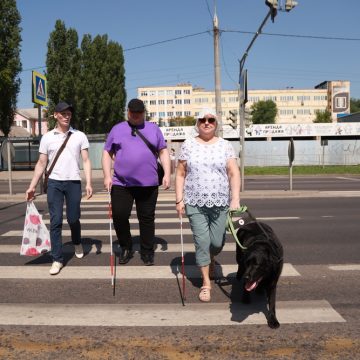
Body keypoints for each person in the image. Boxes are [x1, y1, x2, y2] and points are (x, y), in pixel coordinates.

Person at [175, 108, 240, 302]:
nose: (206, 122)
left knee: (217, 243)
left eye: (210, 119)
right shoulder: (188, 145)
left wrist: (235, 198)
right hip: (194, 201)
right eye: (202, 119)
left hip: (220, 202)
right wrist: (179, 199)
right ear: (197, 123)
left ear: (216, 123)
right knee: (202, 242)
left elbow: (233, 172)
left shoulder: (225, 146)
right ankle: (206, 282)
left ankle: (211, 257)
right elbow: (180, 174)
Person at [25, 101, 93, 275]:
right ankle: (57, 259)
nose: (66, 116)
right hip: (54, 183)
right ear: (55, 115)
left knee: (73, 218)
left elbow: (85, 160)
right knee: (55, 222)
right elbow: (41, 163)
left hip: (73, 182)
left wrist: (89, 183)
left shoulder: (79, 135)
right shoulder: (47, 137)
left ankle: (77, 241)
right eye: (62, 113)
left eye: (69, 113)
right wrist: (32, 186)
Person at [102, 98, 171, 266]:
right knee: (119, 215)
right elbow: (107, 153)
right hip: (121, 183)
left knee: (146, 218)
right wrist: (107, 175)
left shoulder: (154, 129)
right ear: (128, 112)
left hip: (148, 184)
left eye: (139, 113)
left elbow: (163, 151)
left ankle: (147, 251)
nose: (136, 116)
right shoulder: (117, 129)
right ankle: (126, 247)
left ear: (144, 112)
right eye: (133, 113)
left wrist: (167, 174)